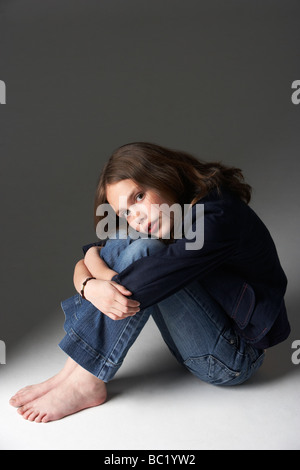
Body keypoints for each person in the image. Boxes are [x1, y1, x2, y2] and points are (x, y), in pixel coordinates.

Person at [9, 142, 290, 423]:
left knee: (145, 251)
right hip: (198, 343)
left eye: (139, 196)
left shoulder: (216, 217)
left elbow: (136, 283)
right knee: (135, 244)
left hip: (231, 360)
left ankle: (85, 378)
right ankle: (72, 372)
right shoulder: (176, 209)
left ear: (163, 175)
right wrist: (89, 282)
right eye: (125, 212)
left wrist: (93, 280)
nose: (137, 217)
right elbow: (97, 253)